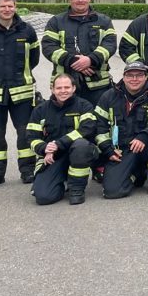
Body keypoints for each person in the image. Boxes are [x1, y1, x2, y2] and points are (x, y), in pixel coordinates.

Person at [0, 0, 40, 188]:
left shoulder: (27, 31)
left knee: (25, 132)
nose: (7, 10)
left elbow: (34, 59)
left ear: (16, 7)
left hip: (21, 91)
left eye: (10, 6)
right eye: (3, 6)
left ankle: (27, 171)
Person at [94, 61, 148, 199]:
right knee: (112, 192)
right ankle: (137, 174)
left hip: (146, 146)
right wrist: (108, 149)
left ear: (146, 77)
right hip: (121, 150)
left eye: (139, 75)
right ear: (123, 77)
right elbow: (98, 127)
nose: (134, 79)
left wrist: (144, 136)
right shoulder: (108, 97)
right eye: (130, 75)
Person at [26, 73, 99, 205]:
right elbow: (31, 137)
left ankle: (76, 189)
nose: (63, 91)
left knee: (81, 145)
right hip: (53, 156)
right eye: (59, 88)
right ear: (52, 89)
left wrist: (58, 144)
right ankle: (62, 181)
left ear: (74, 88)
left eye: (67, 87)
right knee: (43, 197)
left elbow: (87, 129)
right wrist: (44, 148)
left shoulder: (84, 105)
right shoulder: (40, 110)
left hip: (77, 152)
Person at [41, 0, 116, 105]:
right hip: (65, 84)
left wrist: (91, 60)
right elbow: (48, 47)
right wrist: (74, 61)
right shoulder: (56, 22)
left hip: (98, 84)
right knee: (65, 122)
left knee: (98, 121)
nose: (80, 0)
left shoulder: (104, 21)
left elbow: (110, 45)